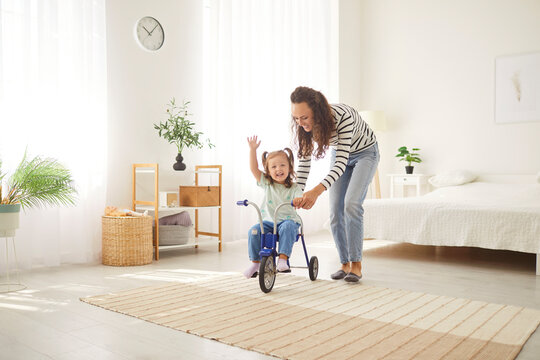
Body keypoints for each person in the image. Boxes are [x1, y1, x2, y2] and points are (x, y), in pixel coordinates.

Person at [290, 86, 380, 283]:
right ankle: (344, 264)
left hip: (365, 153)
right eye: (296, 118)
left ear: (317, 110)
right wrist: (297, 192)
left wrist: (315, 191)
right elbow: (304, 162)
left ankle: (356, 265)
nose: (300, 123)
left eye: (304, 117)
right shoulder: (303, 126)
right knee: (334, 211)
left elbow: (339, 165)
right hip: (340, 154)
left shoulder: (343, 117)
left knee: (351, 204)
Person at [243, 135, 304, 279]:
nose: (279, 169)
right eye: (274, 167)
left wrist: (298, 200)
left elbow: (299, 196)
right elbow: (253, 168)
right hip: (269, 222)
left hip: (288, 221)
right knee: (254, 231)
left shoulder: (294, 187)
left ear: (289, 167)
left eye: (282, 165)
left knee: (288, 226)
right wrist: (252, 150)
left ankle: (283, 259)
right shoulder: (267, 183)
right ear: (268, 171)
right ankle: (255, 263)